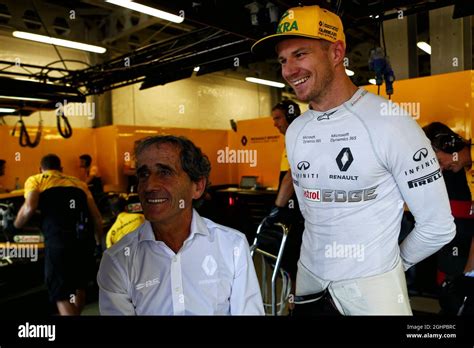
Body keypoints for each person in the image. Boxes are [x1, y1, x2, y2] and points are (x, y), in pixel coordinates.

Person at [251, 5, 455, 315]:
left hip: (371, 299)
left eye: (300, 54)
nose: (288, 70)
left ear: (336, 53)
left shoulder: (391, 123)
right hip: (309, 289)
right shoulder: (296, 132)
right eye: (283, 60)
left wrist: (388, 268)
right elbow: (312, 214)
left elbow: (438, 227)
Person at [97, 135, 264, 315]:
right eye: (144, 174)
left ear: (197, 187)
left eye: (164, 172)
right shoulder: (118, 260)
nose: (149, 186)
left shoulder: (232, 246)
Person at [14, 154, 103, 315]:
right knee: (78, 286)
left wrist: (16, 225)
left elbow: (29, 208)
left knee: (60, 292)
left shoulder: (36, 180)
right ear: (61, 169)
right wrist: (98, 243)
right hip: (83, 243)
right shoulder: (79, 183)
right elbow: (96, 217)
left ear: (40, 169)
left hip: (59, 243)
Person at [423, 122, 474, 314]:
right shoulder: (456, 172)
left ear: (448, 145)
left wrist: (470, 272)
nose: (440, 168)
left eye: (437, 160)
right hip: (454, 264)